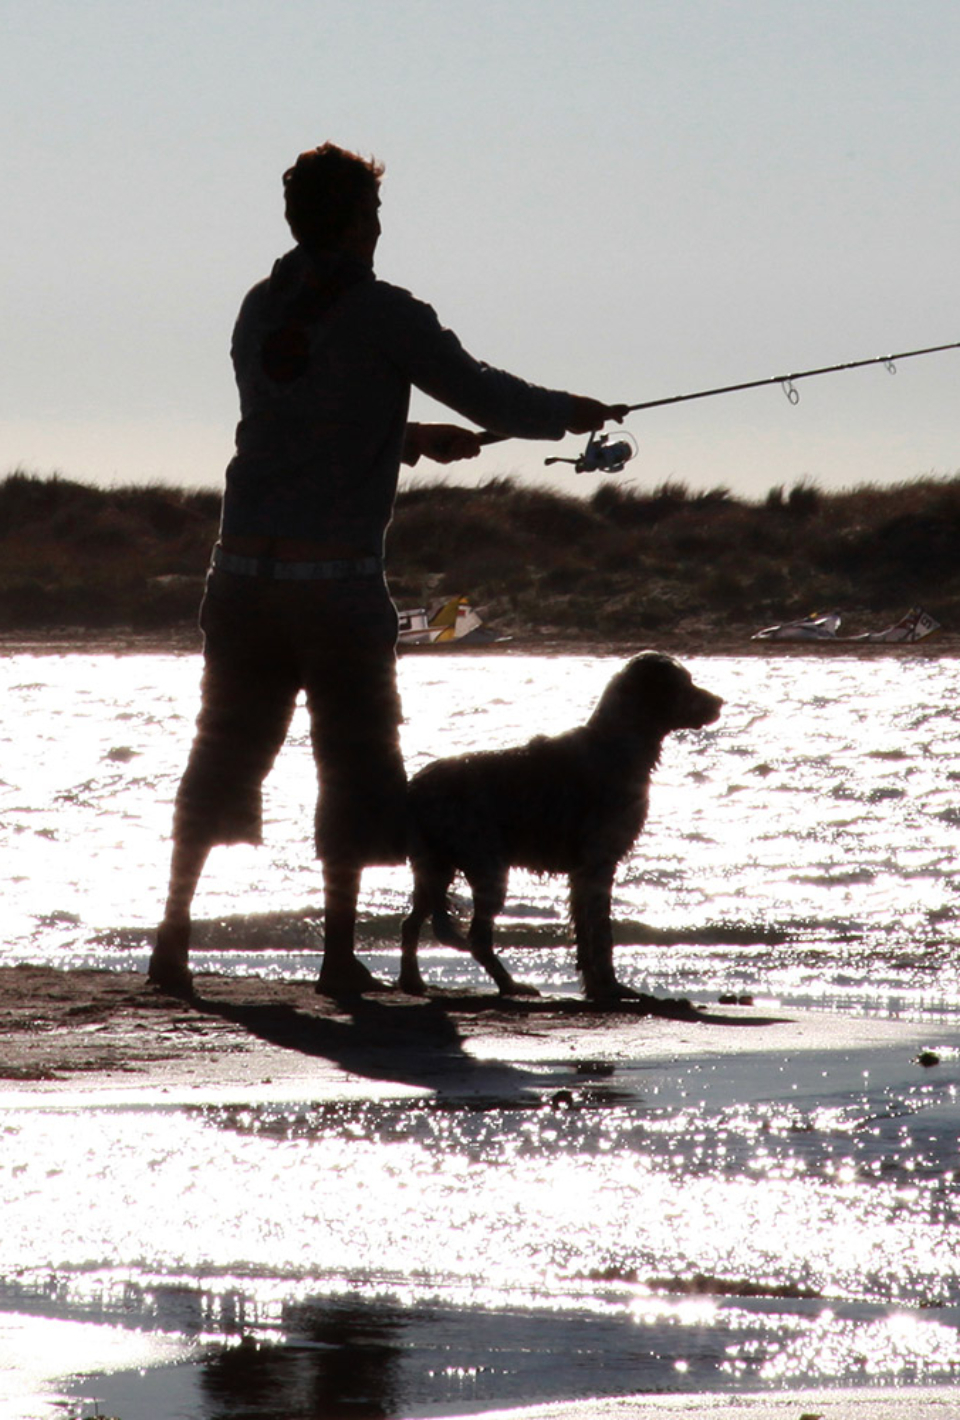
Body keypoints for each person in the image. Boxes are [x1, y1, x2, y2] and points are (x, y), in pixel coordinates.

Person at [148, 142, 626, 997]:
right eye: (374, 216)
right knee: (359, 762)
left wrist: (402, 439)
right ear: (361, 224)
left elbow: (297, 422)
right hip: (335, 587)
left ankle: (172, 939)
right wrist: (573, 413)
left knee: (222, 751)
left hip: (240, 575)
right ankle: (335, 955)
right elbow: (487, 397)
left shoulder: (260, 308)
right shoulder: (387, 313)